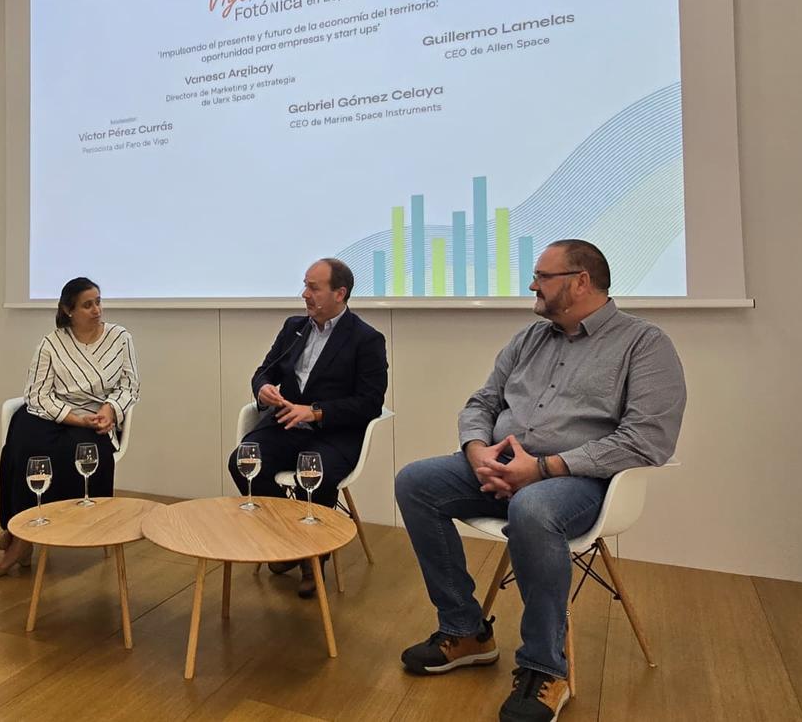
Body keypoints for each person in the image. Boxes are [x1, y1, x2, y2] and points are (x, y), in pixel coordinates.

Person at [394, 239, 686, 722]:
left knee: (533, 509)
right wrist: (477, 450)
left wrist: (544, 468)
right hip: (501, 463)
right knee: (415, 482)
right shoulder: (529, 338)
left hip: (579, 480)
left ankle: (545, 669)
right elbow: (482, 403)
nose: (532, 285)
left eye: (542, 276)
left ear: (580, 281)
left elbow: (648, 439)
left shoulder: (644, 344)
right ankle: (466, 630)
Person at [227, 257, 388, 598]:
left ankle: (312, 558)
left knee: (313, 475)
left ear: (340, 294)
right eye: (305, 285)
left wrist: (314, 412)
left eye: (314, 288)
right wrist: (263, 389)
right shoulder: (294, 327)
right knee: (243, 462)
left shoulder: (366, 339)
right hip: (285, 426)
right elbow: (264, 371)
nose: (305, 294)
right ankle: (287, 540)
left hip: (333, 433)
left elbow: (370, 402)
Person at [0, 277, 140, 578]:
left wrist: (109, 410)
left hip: (96, 417)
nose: (96, 309)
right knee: (26, 448)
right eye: (87, 305)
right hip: (51, 413)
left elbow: (129, 386)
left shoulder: (121, 338)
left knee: (77, 453)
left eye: (98, 302)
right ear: (68, 310)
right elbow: (37, 394)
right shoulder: (51, 343)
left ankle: (36, 534)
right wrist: (72, 417)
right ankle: (19, 533)